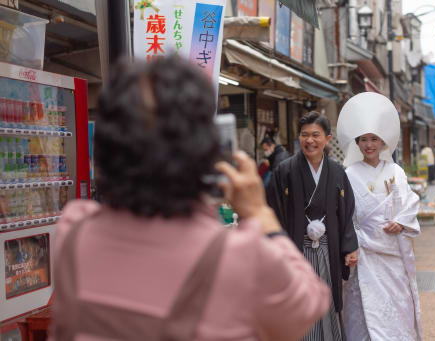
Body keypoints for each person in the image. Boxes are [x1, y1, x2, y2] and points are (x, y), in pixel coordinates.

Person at [50, 56, 331, 341]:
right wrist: (258, 212)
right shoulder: (239, 257)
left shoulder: (73, 230)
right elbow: (308, 303)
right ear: (204, 149)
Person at [266, 111, 359, 341]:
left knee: (327, 299)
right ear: (298, 137)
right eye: (304, 135)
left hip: (328, 248)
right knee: (298, 301)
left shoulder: (337, 171)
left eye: (316, 135)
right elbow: (272, 210)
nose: (310, 140)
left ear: (328, 138)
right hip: (296, 249)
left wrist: (349, 246)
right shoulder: (284, 170)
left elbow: (346, 212)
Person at [337, 92, 422, 341]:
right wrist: (350, 244)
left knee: (397, 308)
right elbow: (344, 214)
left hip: (391, 252)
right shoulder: (349, 173)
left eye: (374, 139)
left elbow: (409, 201)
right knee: (362, 311)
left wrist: (403, 221)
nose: (369, 145)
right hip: (363, 251)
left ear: (383, 142)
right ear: (357, 143)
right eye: (364, 139)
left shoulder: (395, 170)